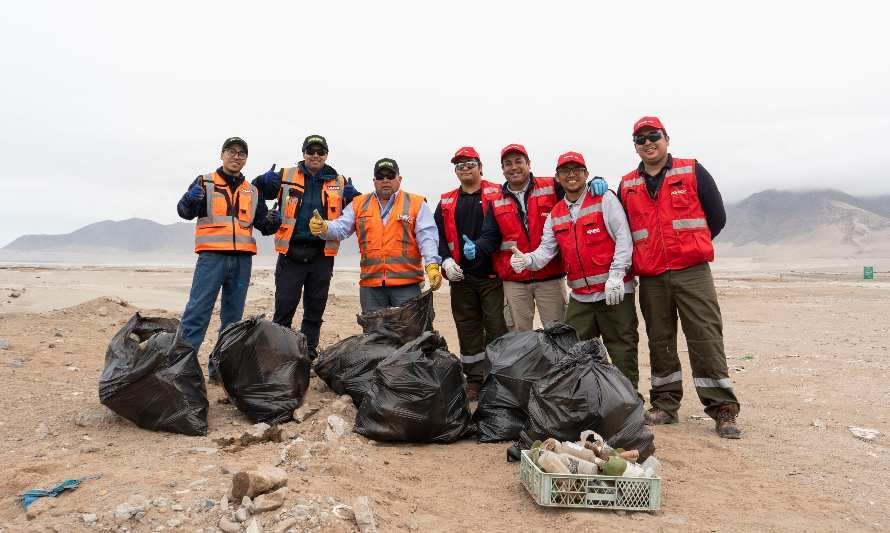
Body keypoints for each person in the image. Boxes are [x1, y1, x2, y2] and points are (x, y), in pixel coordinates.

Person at [591, 116, 741, 438]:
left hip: (692, 271)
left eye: (653, 136)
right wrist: (597, 186)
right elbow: (618, 226)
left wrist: (691, 247)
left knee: (705, 337)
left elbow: (716, 216)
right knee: (660, 340)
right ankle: (665, 404)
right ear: (635, 146)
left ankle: (722, 409)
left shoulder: (691, 170)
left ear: (666, 138)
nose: (647, 143)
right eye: (640, 139)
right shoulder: (627, 184)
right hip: (652, 277)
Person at [510, 151, 639, 389]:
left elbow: (623, 238)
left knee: (622, 348)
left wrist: (617, 275)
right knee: (576, 352)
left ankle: (628, 402)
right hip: (581, 297)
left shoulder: (605, 200)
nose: (571, 175)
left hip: (614, 292)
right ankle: (590, 400)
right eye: (565, 171)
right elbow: (544, 253)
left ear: (586, 174)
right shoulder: (556, 214)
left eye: (577, 170)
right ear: (557, 178)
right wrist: (526, 260)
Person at [176, 137, 281, 381]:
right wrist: (190, 200)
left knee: (232, 320)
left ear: (246, 159)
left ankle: (220, 371)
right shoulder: (205, 182)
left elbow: (263, 226)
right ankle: (182, 368)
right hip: (212, 259)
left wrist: (273, 221)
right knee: (197, 312)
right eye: (231, 152)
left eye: (241, 154)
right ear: (222, 155)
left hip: (242, 262)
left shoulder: (252, 191)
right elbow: (184, 211)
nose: (236, 157)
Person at [252, 134, 359, 360]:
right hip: (291, 252)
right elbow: (253, 192)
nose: (315, 155)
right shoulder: (285, 175)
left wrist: (354, 197)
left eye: (320, 152)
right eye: (311, 151)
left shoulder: (339, 182)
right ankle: (279, 352)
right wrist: (263, 185)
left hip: (322, 254)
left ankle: (308, 353)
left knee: (315, 308)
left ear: (326, 155)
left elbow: (358, 212)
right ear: (303, 153)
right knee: (285, 306)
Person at [309, 158, 441, 312]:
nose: (385, 180)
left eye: (390, 176)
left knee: (410, 334)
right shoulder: (359, 203)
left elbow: (427, 237)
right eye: (380, 176)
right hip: (371, 286)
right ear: (374, 180)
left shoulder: (416, 203)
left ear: (399, 179)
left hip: (407, 285)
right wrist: (324, 227)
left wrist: (432, 265)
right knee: (374, 335)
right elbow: (341, 228)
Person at [434, 146, 509, 399]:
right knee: (467, 329)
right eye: (459, 165)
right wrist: (445, 261)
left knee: (497, 327)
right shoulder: (446, 201)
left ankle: (499, 379)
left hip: (493, 276)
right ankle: (475, 380)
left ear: (480, 167)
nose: (465, 168)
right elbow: (438, 236)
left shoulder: (498, 192)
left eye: (470, 164)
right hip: (461, 278)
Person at [469, 144, 567, 331]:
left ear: (529, 163)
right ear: (502, 170)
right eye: (507, 164)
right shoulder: (496, 201)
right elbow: (490, 237)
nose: (513, 167)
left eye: (518, 161)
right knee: (519, 338)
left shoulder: (552, 187)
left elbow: (576, 190)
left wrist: (595, 181)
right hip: (515, 280)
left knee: (558, 334)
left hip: (550, 277)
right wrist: (477, 247)